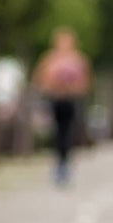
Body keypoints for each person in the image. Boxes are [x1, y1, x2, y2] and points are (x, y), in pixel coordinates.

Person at [33, 28, 91, 185]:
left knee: (68, 132)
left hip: (71, 101)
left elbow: (85, 82)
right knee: (56, 133)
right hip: (55, 100)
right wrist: (53, 86)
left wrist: (73, 88)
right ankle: (59, 163)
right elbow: (41, 80)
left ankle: (65, 163)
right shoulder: (50, 60)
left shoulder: (78, 60)